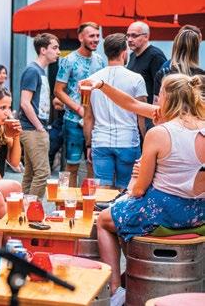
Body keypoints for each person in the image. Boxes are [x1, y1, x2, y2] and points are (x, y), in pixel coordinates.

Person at [80, 74, 205, 305]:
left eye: (160, 94)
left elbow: (138, 190)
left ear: (166, 97)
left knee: (105, 220)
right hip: (199, 215)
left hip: (164, 214)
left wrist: (138, 177)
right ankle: (137, 278)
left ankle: (116, 291)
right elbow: (132, 104)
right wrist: (103, 86)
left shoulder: (159, 132)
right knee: (127, 215)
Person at [83, 33, 146, 190]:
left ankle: (100, 214)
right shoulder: (136, 78)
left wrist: (88, 144)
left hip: (101, 140)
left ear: (106, 52)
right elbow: (142, 116)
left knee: (102, 189)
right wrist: (145, 141)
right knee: (125, 188)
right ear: (124, 52)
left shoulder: (92, 79)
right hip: (128, 140)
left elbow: (88, 118)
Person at [54, 22, 106, 186]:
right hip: (73, 121)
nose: (96, 39)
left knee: (93, 164)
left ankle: (89, 207)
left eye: (98, 36)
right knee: (72, 165)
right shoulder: (68, 60)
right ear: (81, 37)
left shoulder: (100, 60)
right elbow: (58, 90)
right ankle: (68, 206)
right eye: (92, 36)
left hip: (96, 121)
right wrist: (77, 108)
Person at [19, 33, 60, 198]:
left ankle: (22, 213)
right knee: (43, 173)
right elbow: (25, 102)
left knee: (30, 174)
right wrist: (40, 128)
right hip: (33, 129)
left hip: (34, 128)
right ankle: (32, 213)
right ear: (43, 50)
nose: (58, 52)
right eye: (55, 48)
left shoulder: (39, 71)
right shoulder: (32, 71)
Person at [126, 21, 167, 129]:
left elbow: (163, 87)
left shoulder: (155, 56)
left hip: (150, 116)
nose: (130, 39)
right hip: (134, 115)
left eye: (134, 35)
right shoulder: (132, 56)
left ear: (146, 37)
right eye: (128, 35)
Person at [153, 27, 204, 105]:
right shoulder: (201, 76)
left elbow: (156, 105)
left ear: (175, 46)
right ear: (196, 49)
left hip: (169, 116)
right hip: (193, 116)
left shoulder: (164, 73)